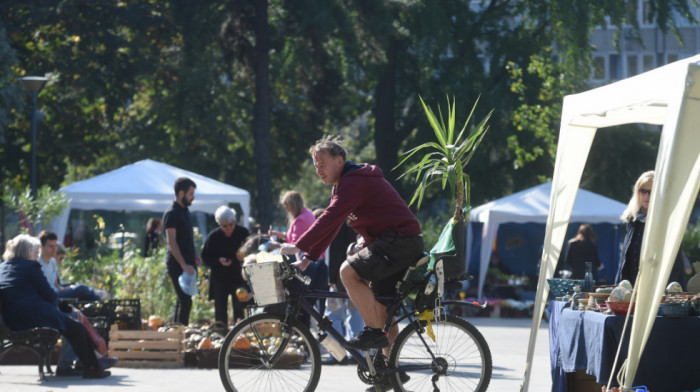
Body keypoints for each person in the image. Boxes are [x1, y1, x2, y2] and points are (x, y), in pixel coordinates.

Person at [280, 135, 423, 364]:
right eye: (316, 166)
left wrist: (299, 244)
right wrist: (307, 259)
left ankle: (373, 333)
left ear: (339, 160)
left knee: (347, 271)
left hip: (400, 241)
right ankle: (390, 371)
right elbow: (333, 226)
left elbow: (329, 218)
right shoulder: (343, 185)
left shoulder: (353, 181)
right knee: (382, 310)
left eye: (322, 164)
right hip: (398, 242)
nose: (318, 171)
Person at [0, 234, 110, 379]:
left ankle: (93, 363)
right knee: (76, 328)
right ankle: (91, 368)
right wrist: (61, 311)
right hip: (32, 317)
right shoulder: (31, 266)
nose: (37, 254)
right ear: (27, 252)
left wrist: (68, 309)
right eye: (35, 251)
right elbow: (50, 296)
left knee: (73, 324)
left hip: (10, 320)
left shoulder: (3, 267)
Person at [615, 171, 686, 288]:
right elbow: (624, 262)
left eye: (651, 192)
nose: (646, 196)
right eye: (642, 191)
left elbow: (674, 265)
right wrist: (618, 291)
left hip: (659, 294)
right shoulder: (632, 220)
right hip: (631, 293)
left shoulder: (667, 221)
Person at [201, 206, 250, 327]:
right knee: (220, 308)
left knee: (239, 306)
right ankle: (220, 333)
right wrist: (218, 261)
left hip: (238, 275)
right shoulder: (213, 236)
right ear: (220, 225)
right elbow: (205, 256)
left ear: (235, 222)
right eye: (224, 226)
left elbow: (251, 251)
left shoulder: (243, 233)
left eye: (231, 224)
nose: (228, 228)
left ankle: (239, 333)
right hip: (220, 277)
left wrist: (240, 258)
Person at [163, 177, 202, 325]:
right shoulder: (171, 212)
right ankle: (181, 334)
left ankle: (176, 333)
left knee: (183, 300)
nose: (193, 197)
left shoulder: (185, 211)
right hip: (177, 263)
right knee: (185, 301)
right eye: (191, 193)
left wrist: (195, 256)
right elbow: (172, 241)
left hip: (188, 261)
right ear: (181, 193)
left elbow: (187, 238)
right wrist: (183, 264)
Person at [37, 230, 101, 301]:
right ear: (42, 247)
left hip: (58, 293)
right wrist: (66, 289)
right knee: (82, 289)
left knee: (88, 292)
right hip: (51, 298)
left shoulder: (52, 261)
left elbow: (56, 284)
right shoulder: (37, 264)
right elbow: (45, 292)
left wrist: (66, 288)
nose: (54, 249)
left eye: (55, 246)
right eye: (51, 246)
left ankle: (101, 307)